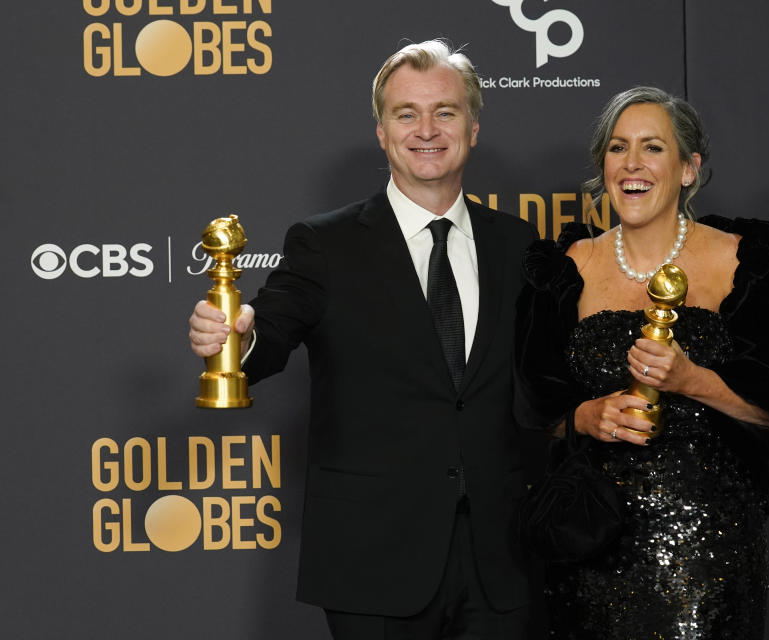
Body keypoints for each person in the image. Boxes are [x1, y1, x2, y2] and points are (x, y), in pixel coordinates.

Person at [189, 40, 538, 640]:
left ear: (473, 128)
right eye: (406, 114)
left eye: (445, 112)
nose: (426, 129)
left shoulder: (518, 242)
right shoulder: (324, 243)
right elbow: (271, 331)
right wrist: (236, 339)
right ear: (381, 131)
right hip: (372, 557)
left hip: (502, 557)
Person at [514, 86, 769, 639]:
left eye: (653, 148)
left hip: (708, 545)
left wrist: (693, 380)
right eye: (618, 148)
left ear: (689, 169)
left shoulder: (744, 264)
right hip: (588, 539)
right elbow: (531, 402)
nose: (633, 164)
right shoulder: (566, 267)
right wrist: (584, 417)